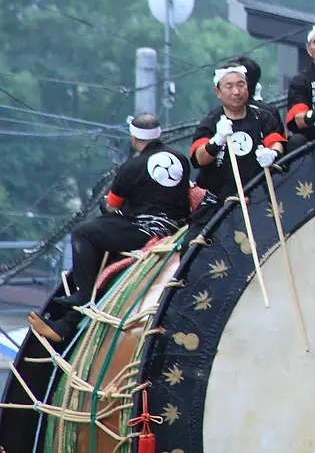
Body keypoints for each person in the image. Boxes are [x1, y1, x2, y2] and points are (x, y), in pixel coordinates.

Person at [28, 114, 190, 345]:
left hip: (145, 229)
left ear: (133, 138)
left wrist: (108, 203)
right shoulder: (179, 158)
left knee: (84, 232)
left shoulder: (132, 166)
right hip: (176, 226)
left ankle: (84, 294)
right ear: (160, 135)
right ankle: (68, 322)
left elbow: (112, 206)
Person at [187, 62, 287, 230]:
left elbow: (277, 141)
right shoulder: (210, 123)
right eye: (229, 86)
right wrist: (217, 140)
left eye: (241, 85)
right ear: (218, 92)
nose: (236, 91)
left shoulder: (263, 117)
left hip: (259, 196)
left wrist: (272, 154)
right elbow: (199, 158)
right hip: (219, 200)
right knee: (192, 244)